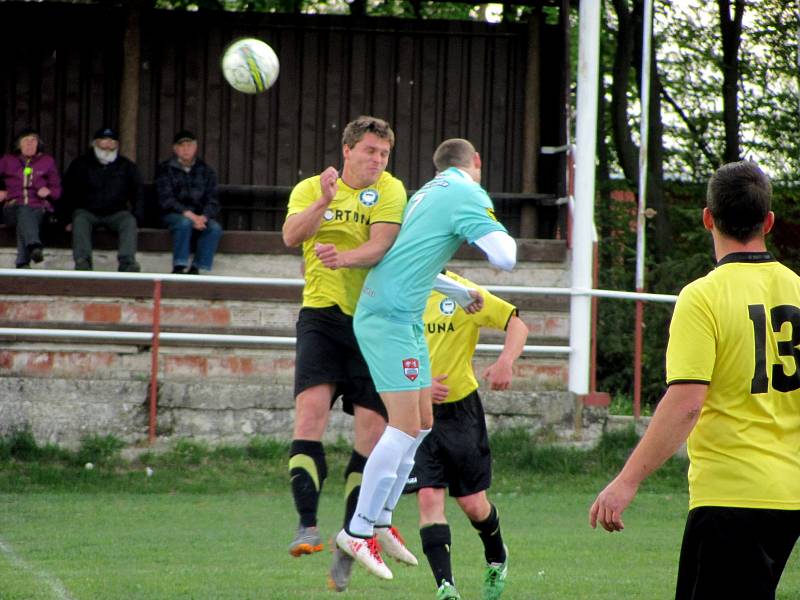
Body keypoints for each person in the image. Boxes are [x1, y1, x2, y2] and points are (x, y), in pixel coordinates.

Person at [589, 161, 800, 600]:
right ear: (769, 222)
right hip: (790, 494)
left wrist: (626, 480)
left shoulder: (703, 295)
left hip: (733, 495)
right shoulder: (797, 288)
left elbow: (687, 402)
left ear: (708, 218)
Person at [329, 138, 517, 581]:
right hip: (388, 318)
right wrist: (489, 234)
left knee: (423, 423)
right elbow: (506, 258)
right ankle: (357, 530)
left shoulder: (427, 192)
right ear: (476, 162)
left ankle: (380, 518)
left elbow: (411, 261)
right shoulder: (466, 193)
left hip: (404, 316)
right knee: (402, 427)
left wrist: (459, 292)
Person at [281, 115, 417, 589]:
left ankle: (349, 540)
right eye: (370, 151)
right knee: (309, 417)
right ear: (347, 150)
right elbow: (291, 236)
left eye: (383, 153)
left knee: (372, 436)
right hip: (321, 315)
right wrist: (324, 199)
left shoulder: (392, 190)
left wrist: (345, 257)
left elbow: (380, 246)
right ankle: (307, 525)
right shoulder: (311, 188)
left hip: (372, 323)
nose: (377, 160)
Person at [406, 270, 528, 600]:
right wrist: (417, 386)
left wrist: (506, 360)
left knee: (473, 505)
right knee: (429, 497)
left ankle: (497, 556)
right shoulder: (399, 287)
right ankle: (446, 588)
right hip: (416, 412)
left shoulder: (463, 293)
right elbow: (376, 345)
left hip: (461, 414)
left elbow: (516, 323)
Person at [61, 127, 144, 272]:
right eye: (104, 140)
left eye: (112, 141)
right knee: (79, 219)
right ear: (95, 143)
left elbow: (138, 192)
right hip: (88, 212)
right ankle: (83, 262)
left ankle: (127, 262)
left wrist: (138, 217)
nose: (108, 144)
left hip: (116, 213)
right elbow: (68, 191)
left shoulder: (127, 166)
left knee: (129, 221)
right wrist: (66, 219)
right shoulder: (80, 164)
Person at [155, 130, 222, 274]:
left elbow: (213, 200)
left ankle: (198, 268)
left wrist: (203, 217)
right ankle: (179, 266)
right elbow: (166, 199)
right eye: (182, 145)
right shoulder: (165, 169)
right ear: (175, 148)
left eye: (189, 145)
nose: (186, 149)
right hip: (173, 214)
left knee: (214, 228)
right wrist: (190, 216)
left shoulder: (206, 171)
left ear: (195, 147)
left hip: (199, 216)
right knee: (183, 223)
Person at [0, 128, 61, 268]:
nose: (30, 143)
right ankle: (34, 245)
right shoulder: (7, 161)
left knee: (26, 214)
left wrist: (49, 192)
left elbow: (57, 190)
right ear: (18, 145)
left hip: (39, 210)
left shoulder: (47, 161)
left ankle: (23, 262)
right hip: (12, 209)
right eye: (26, 141)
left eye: (33, 140)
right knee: (24, 210)